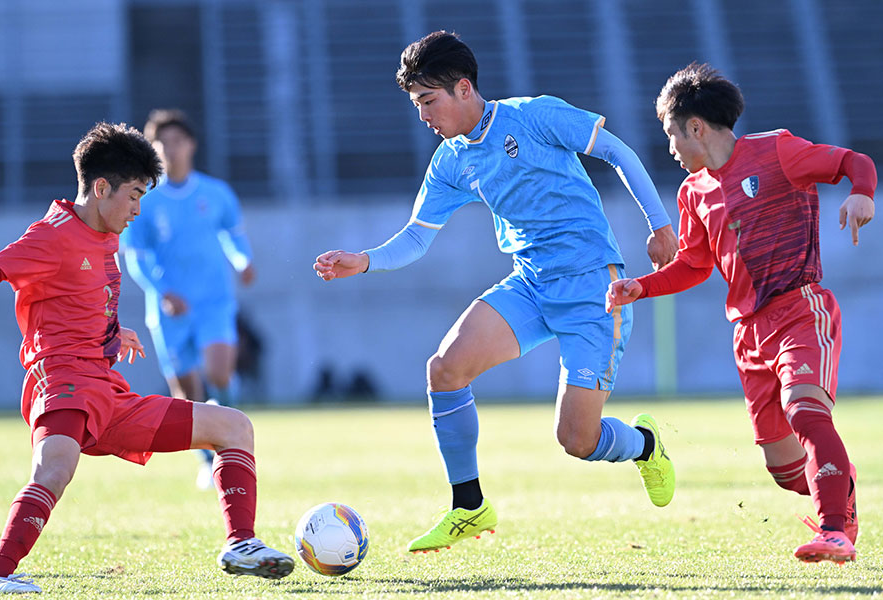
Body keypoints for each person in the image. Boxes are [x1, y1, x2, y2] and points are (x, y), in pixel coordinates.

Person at [314, 31, 679, 554]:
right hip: (529, 284)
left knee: (577, 441)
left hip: (593, 290)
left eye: (427, 101)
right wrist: (365, 260)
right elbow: (418, 236)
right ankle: (469, 507)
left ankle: (643, 445)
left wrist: (659, 225)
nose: (423, 116)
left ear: (464, 89)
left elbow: (617, 152)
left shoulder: (533, 116)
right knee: (444, 368)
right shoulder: (450, 160)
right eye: (416, 104)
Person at [0, 122, 292, 595]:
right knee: (55, 466)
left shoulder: (103, 232)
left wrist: (111, 331)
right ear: (101, 187)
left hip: (106, 390)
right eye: (133, 195)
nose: (137, 209)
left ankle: (241, 544)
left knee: (233, 427)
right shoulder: (51, 235)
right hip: (63, 382)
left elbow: (75, 294)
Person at [606, 63, 876, 564]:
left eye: (670, 134)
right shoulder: (694, 193)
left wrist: (862, 193)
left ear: (695, 127)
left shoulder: (777, 150)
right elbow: (693, 265)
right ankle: (843, 493)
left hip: (800, 308)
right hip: (749, 335)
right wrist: (637, 287)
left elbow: (854, 162)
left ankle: (836, 529)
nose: (670, 149)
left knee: (806, 410)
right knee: (784, 468)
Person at [121, 109, 256, 490]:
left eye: (177, 140)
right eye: (162, 142)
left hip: (214, 301)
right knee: (185, 391)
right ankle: (206, 461)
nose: (171, 148)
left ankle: (232, 437)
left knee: (218, 372)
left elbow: (234, 235)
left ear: (191, 144)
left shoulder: (215, 193)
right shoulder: (144, 200)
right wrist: (161, 292)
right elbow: (136, 257)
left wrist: (243, 261)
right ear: (153, 148)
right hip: (169, 309)